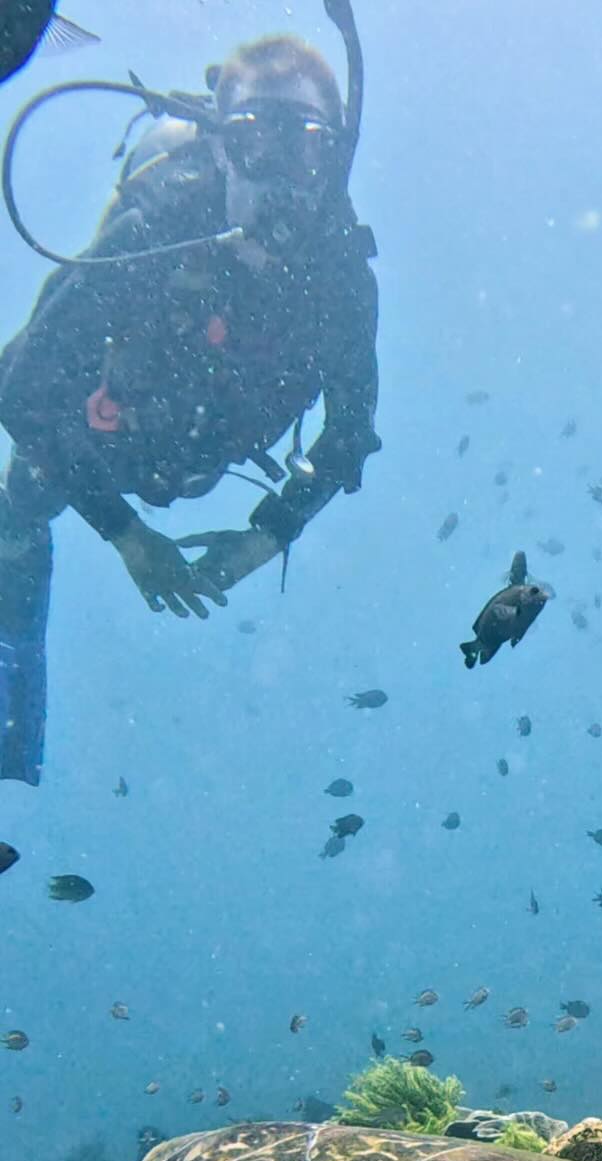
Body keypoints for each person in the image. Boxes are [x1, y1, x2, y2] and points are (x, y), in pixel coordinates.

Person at [0, 32, 379, 784]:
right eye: (252, 143)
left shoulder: (341, 282)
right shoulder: (155, 231)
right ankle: (8, 742)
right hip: (101, 440)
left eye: (302, 148)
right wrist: (127, 535)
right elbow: (21, 386)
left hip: (210, 443)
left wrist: (270, 533)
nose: (276, 178)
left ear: (331, 157)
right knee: (17, 512)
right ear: (220, 145)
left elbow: (350, 433)